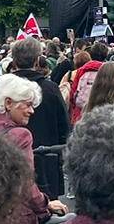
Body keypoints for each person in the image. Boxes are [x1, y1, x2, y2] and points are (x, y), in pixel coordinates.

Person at [0, 74, 68, 224]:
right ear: (8, 103)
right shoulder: (20, 135)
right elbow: (25, 183)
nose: (32, 111)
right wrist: (45, 203)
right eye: (27, 104)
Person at [7, 37, 70, 198]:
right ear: (37, 61)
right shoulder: (50, 89)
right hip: (46, 161)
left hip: (10, 162)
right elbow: (64, 126)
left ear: (13, 61)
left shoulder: (4, 88)